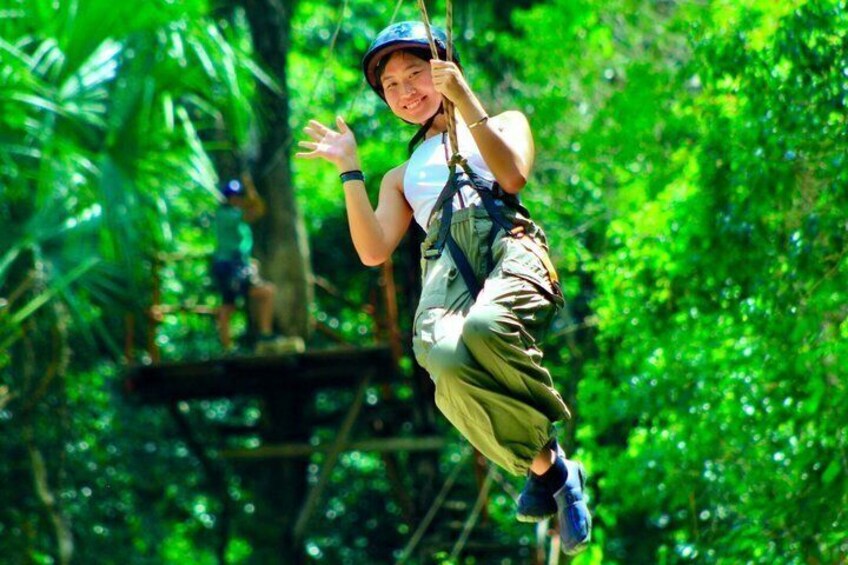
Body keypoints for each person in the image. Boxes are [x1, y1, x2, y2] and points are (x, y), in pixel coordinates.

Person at [296, 21, 590, 554]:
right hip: (445, 263)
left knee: (488, 327)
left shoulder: (503, 122)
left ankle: (546, 466)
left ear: (442, 70)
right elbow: (373, 250)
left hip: (503, 239)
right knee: (444, 363)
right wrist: (349, 169)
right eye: (391, 86)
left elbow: (513, 177)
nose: (405, 91)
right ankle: (550, 469)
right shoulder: (401, 175)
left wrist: (464, 98)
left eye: (415, 74)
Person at [211, 176, 288, 355]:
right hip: (230, 267)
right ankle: (256, 337)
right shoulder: (228, 215)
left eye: (238, 195)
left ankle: (229, 345)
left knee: (229, 305)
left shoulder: (232, 215)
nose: (237, 199)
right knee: (260, 294)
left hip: (234, 266)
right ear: (227, 198)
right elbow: (257, 209)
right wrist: (250, 186)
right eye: (233, 196)